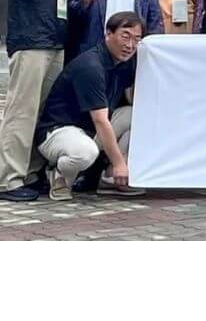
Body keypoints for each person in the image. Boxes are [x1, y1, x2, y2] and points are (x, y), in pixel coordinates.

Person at [0, 0, 75, 202]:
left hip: (56, 42)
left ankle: (30, 173)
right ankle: (8, 180)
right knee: (22, 111)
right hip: (30, 41)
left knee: (42, 112)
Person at [34, 12, 145, 201]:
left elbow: (131, 99)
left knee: (139, 115)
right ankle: (58, 174)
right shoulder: (91, 66)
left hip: (90, 130)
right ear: (108, 34)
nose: (130, 45)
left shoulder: (125, 62)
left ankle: (109, 177)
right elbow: (101, 121)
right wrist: (119, 162)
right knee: (85, 152)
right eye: (125, 36)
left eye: (137, 39)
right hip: (58, 131)